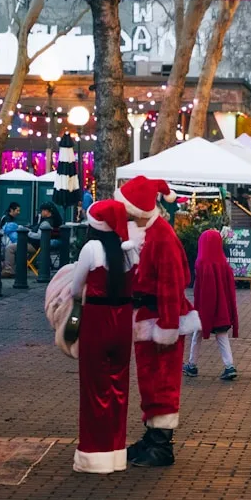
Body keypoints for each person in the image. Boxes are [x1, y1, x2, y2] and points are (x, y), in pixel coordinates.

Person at [116, 176, 200, 468]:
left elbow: (171, 284)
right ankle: (153, 437)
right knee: (150, 381)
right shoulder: (146, 234)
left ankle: (161, 443)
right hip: (148, 320)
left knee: (162, 382)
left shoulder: (162, 237)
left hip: (160, 322)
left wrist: (167, 326)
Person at [68, 200, 136, 473]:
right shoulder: (129, 252)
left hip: (96, 320)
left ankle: (93, 455)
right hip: (123, 321)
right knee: (119, 386)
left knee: (94, 388)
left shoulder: (91, 249)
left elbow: (75, 288)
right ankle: (115, 452)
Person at [185, 229, 240, 381]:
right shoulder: (224, 264)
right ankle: (229, 366)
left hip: (205, 309)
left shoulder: (201, 263)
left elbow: (201, 290)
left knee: (197, 335)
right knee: (222, 336)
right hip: (222, 309)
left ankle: (192, 364)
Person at [0, 202, 22, 278]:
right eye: (17, 210)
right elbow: (11, 234)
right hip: (5, 242)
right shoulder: (7, 219)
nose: (19, 213)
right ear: (11, 210)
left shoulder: (7, 218)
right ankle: (9, 269)